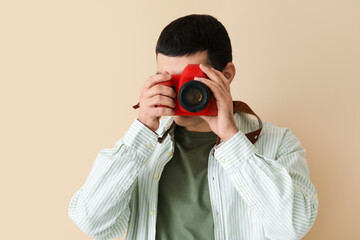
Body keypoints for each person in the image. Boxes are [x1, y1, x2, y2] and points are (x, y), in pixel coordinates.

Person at [68, 14, 318, 240]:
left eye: (189, 80)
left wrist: (231, 138)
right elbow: (92, 223)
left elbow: (293, 226)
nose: (179, 93)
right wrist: (142, 129)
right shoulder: (142, 147)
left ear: (227, 74)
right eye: (169, 80)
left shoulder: (277, 142)